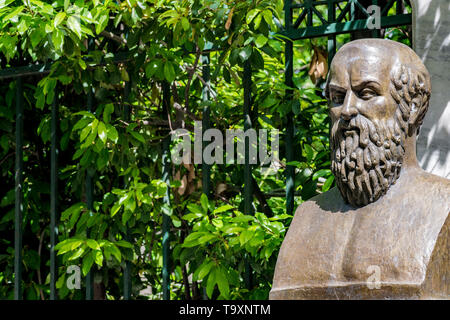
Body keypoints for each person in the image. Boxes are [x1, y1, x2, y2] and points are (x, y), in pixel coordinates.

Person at [270, 39, 449, 299]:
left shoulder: (442, 205)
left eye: (367, 93)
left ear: (412, 106)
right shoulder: (305, 219)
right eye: (337, 97)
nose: (346, 110)